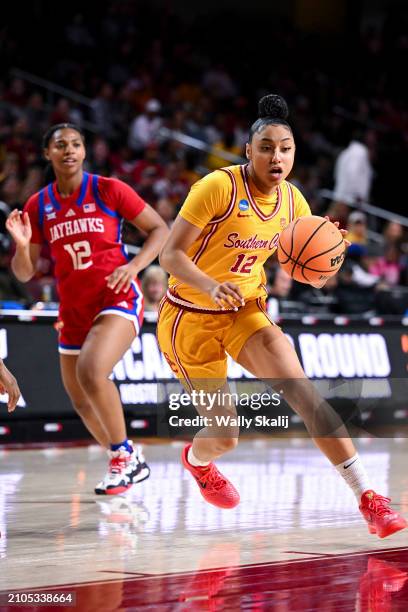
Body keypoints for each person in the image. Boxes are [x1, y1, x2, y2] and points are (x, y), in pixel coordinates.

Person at [158, 95, 407, 538]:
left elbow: (307, 271)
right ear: (248, 151)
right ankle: (197, 462)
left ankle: (369, 498)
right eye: (267, 147)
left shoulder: (294, 202)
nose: (277, 157)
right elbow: (170, 255)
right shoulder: (217, 187)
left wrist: (329, 256)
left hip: (244, 312)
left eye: (286, 148)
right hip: (189, 316)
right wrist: (210, 284)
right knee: (225, 434)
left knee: (305, 394)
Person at [7, 123, 168, 495]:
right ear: (48, 154)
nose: (69, 150)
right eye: (60, 145)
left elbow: (159, 229)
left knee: (93, 370)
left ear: (84, 151)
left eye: (76, 144)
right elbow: (25, 271)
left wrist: (133, 266)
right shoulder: (39, 204)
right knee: (80, 397)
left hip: (117, 296)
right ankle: (127, 456)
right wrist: (21, 245)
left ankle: (122, 458)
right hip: (73, 309)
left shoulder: (108, 189)